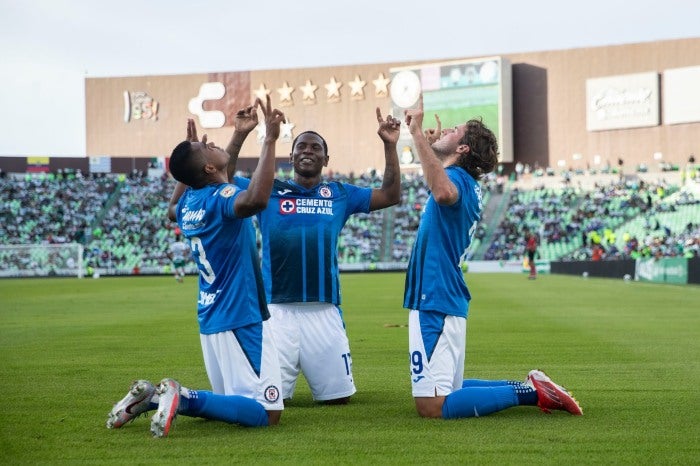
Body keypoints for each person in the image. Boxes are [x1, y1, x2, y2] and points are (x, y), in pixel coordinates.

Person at [169, 107, 401, 405]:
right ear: (290, 158)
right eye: (301, 146)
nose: (308, 151)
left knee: (337, 399)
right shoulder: (269, 190)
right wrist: (241, 135)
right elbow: (221, 177)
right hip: (275, 312)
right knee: (267, 398)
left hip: (324, 309)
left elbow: (391, 195)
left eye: (316, 147)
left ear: (326, 160)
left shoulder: (341, 193)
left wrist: (390, 145)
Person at [107, 96, 287, 437]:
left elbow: (174, 204)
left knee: (230, 401)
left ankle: (150, 399)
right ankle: (183, 396)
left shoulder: (189, 202)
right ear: (207, 169)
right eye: (205, 148)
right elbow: (257, 200)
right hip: (239, 314)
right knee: (267, 412)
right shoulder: (219, 200)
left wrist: (237, 137)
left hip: (211, 316)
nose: (211, 143)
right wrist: (269, 139)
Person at [403, 95, 582, 420]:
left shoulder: (455, 182)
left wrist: (416, 133)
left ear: (463, 149)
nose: (444, 131)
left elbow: (441, 191)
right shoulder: (464, 181)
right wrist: (427, 150)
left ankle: (532, 393)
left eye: (454, 131)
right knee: (449, 391)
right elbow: (437, 182)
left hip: (435, 296)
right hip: (442, 296)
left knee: (432, 405)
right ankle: (531, 385)